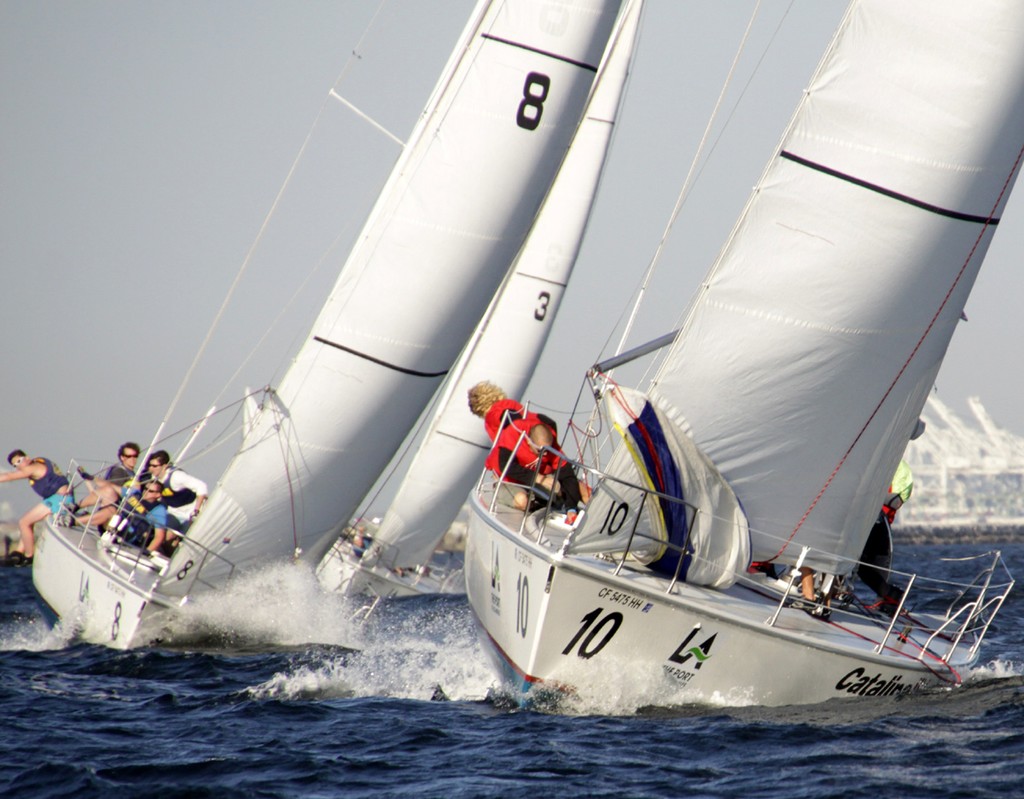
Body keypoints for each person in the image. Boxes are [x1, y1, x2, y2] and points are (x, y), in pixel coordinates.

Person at [0, 449, 76, 565]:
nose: (19, 466)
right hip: (58, 499)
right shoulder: (39, 464)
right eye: (16, 465)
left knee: (23, 522)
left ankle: (29, 557)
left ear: (27, 458)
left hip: (59, 500)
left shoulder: (32, 467)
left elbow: (10, 476)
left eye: (19, 461)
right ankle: (19, 551)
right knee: (28, 523)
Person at [857, 459, 913, 613]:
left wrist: (869, 496)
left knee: (865, 567)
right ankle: (890, 595)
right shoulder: (869, 458)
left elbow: (897, 501)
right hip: (861, 521)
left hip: (878, 524)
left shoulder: (900, 467)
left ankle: (891, 596)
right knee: (855, 564)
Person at [75, 441, 140, 522]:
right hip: (113, 507)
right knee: (110, 502)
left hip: (127, 509)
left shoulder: (133, 474)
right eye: (129, 456)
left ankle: (76, 512)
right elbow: (109, 489)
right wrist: (92, 479)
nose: (133, 459)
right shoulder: (120, 472)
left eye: (135, 456)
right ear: (122, 457)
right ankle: (75, 513)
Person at [143, 451, 207, 532]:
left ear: (164, 466)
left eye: (154, 466)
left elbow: (201, 486)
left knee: (186, 535)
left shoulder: (176, 476)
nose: (151, 469)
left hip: (191, 511)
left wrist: (196, 510)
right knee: (164, 536)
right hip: (174, 512)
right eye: (150, 466)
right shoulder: (153, 479)